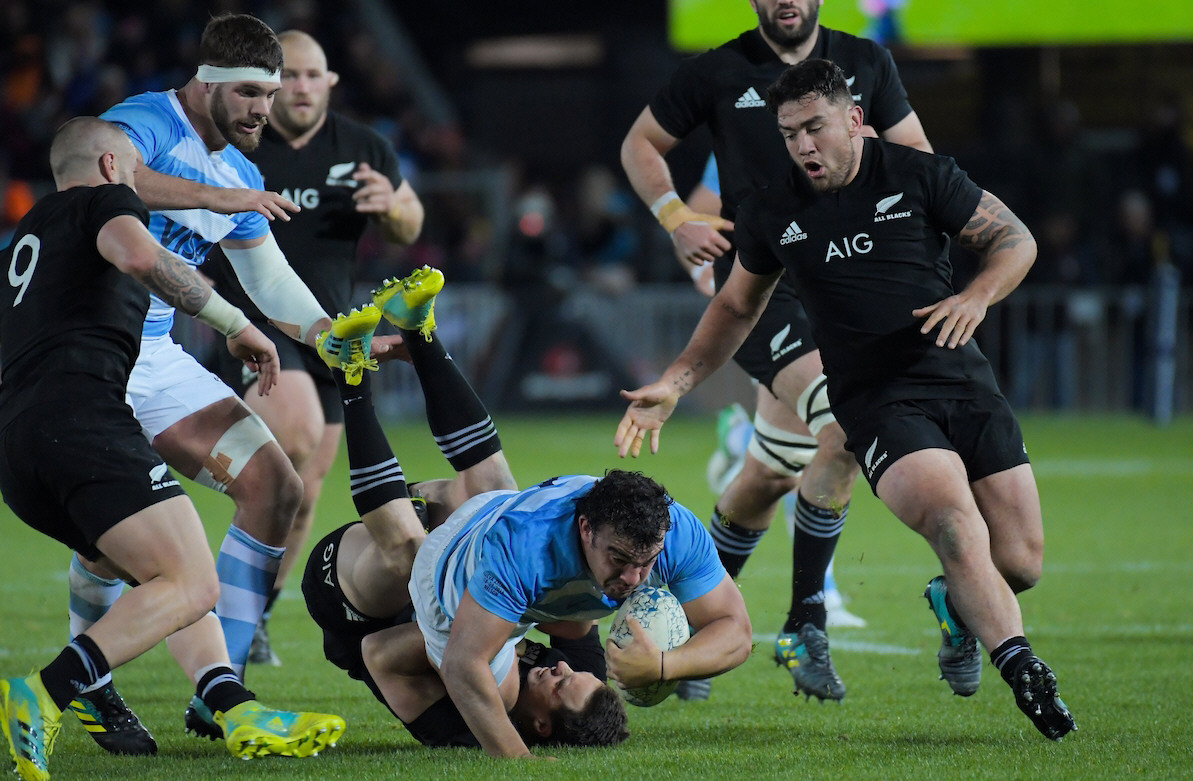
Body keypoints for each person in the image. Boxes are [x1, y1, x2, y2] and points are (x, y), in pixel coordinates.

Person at [616, 59, 1076, 741]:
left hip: (963, 383)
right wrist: (675, 382)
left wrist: (976, 295)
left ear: (855, 120)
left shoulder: (920, 175)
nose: (803, 145)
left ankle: (953, 604)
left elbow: (1015, 240)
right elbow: (736, 307)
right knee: (952, 522)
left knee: (1020, 562)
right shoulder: (772, 210)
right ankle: (1021, 666)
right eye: (789, 133)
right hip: (877, 403)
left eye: (815, 127)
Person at [0, 117, 341, 781]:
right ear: (110, 166)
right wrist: (234, 322)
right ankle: (44, 693)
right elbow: (137, 255)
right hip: (85, 425)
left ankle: (232, 704)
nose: (142, 184)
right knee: (192, 581)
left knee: (157, 575)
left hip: (20, 445)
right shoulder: (107, 200)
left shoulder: (32, 229)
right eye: (134, 170)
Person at [620, 0, 932, 702]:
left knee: (769, 472)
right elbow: (640, 143)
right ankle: (804, 624)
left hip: (845, 284)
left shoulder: (866, 61)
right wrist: (676, 218)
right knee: (845, 424)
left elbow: (917, 156)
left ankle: (685, 622)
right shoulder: (718, 71)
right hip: (763, 288)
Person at [301, 274, 752, 758]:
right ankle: (418, 337)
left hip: (358, 603)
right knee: (442, 533)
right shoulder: (531, 555)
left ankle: (353, 376)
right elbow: (566, 628)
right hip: (486, 545)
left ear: (540, 723)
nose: (634, 579)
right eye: (621, 559)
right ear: (586, 528)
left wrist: (665, 666)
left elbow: (415, 658)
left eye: (646, 562)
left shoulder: (662, 536)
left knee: (414, 550)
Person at [63, 13, 354, 753]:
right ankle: (93, 680)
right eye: (250, 92)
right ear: (208, 83)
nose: (264, 109)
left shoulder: (244, 174)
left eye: (271, 94)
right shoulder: (150, 121)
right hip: (85, 353)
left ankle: (223, 688)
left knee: (277, 487)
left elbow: (270, 281)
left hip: (155, 355)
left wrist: (331, 335)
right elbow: (98, 170)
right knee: (113, 545)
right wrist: (221, 201)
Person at [201, 30, 426, 666]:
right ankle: (205, 555)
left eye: (311, 75)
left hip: (333, 330)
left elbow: (411, 220)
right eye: (289, 77)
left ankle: (254, 615)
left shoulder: (363, 147)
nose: (300, 87)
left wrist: (391, 208)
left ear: (330, 82)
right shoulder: (241, 141)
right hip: (256, 325)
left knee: (301, 494)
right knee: (294, 432)